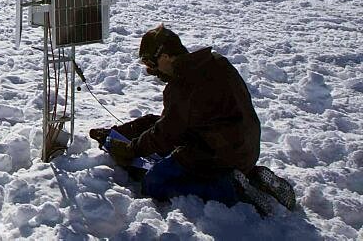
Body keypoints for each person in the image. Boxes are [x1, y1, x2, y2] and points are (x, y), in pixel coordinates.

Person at [91, 24, 297, 216]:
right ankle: (251, 177)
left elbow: (166, 134)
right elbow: (172, 122)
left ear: (164, 57)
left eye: (151, 62)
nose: (152, 70)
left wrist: (130, 150)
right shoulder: (215, 62)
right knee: (179, 154)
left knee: (154, 182)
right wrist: (121, 132)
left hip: (218, 156)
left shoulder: (183, 86)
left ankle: (230, 189)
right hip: (246, 149)